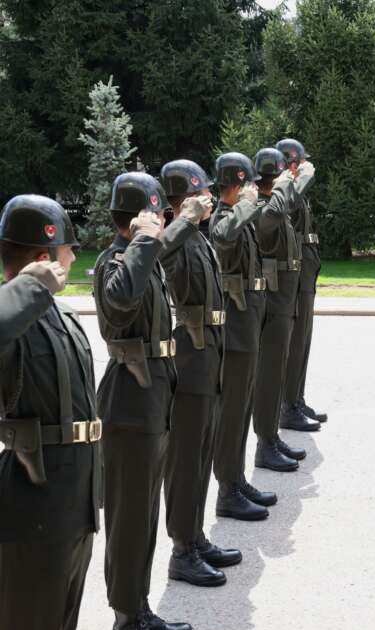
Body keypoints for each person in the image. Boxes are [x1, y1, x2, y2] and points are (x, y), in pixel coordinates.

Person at [0, 195, 100, 630]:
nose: (72, 258)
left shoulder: (58, 314)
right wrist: (27, 287)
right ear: (43, 258)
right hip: (34, 507)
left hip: (73, 504)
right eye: (66, 250)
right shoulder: (14, 314)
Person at [94, 172, 192, 630]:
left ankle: (139, 607)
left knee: (146, 517)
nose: (161, 221)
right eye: (153, 214)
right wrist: (143, 242)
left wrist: (150, 242)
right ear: (132, 218)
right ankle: (124, 626)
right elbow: (120, 302)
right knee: (130, 521)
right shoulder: (117, 261)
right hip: (129, 402)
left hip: (152, 396)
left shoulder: (144, 255)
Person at [158, 159, 240, 587]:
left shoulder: (198, 236)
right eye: (200, 194)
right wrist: (185, 220)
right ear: (184, 200)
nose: (208, 198)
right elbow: (159, 254)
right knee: (187, 456)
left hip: (210, 351)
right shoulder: (174, 236)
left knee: (203, 450)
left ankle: (195, 535)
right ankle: (181, 549)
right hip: (189, 353)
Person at [209, 152, 278, 521]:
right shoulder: (224, 217)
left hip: (247, 321)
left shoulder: (240, 215)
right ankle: (226, 489)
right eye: (247, 184)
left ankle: (235, 479)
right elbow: (221, 236)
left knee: (243, 405)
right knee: (233, 411)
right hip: (234, 328)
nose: (253, 189)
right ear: (235, 185)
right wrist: (247, 206)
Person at [251, 148, 307, 471]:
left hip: (283, 297)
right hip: (273, 300)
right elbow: (269, 220)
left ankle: (271, 436)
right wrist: (285, 185)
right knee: (270, 374)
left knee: (278, 369)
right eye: (283, 175)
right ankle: (264, 442)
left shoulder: (277, 204)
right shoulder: (263, 208)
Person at [276, 138, 326, 431]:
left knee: (303, 338)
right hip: (292, 273)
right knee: (293, 341)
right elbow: (286, 205)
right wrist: (302, 179)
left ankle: (296, 398)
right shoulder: (285, 189)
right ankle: (286, 405)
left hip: (305, 268)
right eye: (298, 163)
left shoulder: (296, 188)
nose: (303, 167)